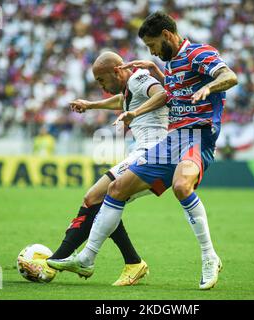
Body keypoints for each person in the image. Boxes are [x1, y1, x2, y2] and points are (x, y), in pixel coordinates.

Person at [52, 11, 238, 290]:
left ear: (167, 35)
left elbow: (230, 75)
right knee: (116, 190)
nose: (151, 51)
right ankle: (87, 258)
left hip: (197, 138)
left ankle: (209, 256)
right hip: (172, 140)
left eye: (152, 45)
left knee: (181, 186)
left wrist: (208, 88)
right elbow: (172, 94)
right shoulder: (171, 63)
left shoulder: (199, 53)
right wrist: (156, 70)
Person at [40, 51, 169, 286]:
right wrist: (91, 105)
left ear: (117, 71)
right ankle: (133, 262)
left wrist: (135, 113)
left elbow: (162, 93)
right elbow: (123, 101)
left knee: (94, 197)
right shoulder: (130, 89)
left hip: (153, 154)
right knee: (106, 200)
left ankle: (58, 259)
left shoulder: (138, 78)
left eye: (101, 80)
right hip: (150, 156)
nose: (101, 86)